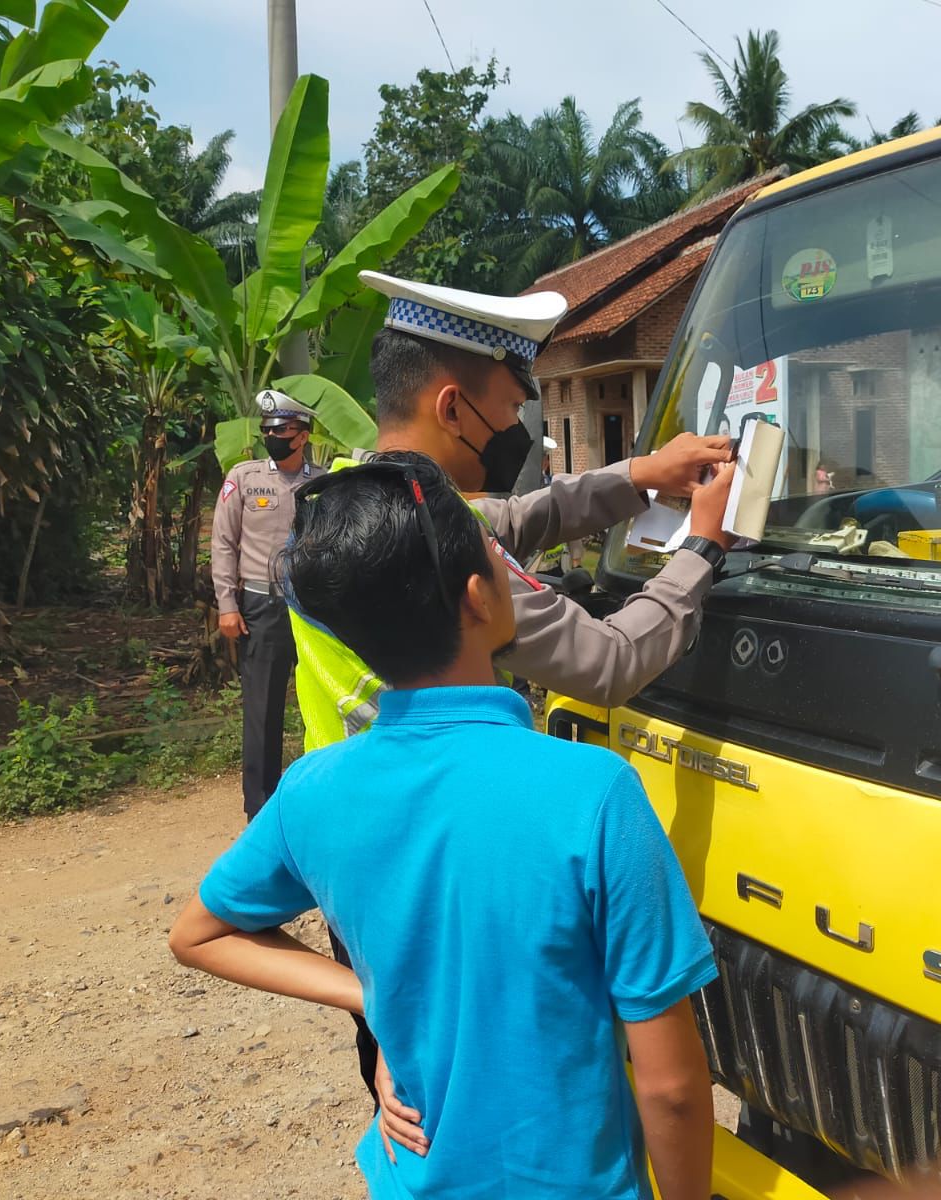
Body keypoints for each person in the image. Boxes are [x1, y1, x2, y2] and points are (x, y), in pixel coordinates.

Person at [169, 454, 718, 1200]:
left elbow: (198, 934)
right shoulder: (593, 794)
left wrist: (369, 995)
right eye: (497, 560)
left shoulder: (312, 792)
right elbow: (673, 1088)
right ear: (478, 599)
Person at [285, 271, 734, 1106]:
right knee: (483, 1078)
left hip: (361, 845)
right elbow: (605, 664)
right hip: (448, 855)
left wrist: (640, 473)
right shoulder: (440, 551)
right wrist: (700, 549)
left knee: (405, 1066)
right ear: (454, 407)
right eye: (510, 407)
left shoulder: (350, 500)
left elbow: (518, 516)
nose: (520, 429)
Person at [210, 389, 327, 819]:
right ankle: (259, 810)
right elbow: (223, 543)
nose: (272, 437)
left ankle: (325, 796)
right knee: (262, 709)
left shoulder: (324, 481)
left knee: (329, 701)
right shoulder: (244, 477)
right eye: (267, 430)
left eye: (281, 430)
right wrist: (227, 603)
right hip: (261, 605)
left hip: (314, 606)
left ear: (303, 435)